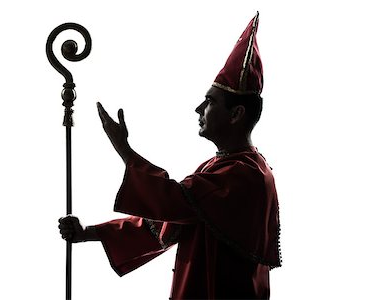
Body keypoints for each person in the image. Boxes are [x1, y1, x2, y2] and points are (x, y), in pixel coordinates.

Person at [59, 12, 281, 299]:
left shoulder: (246, 174)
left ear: (236, 114)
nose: (199, 109)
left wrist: (124, 150)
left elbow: (174, 201)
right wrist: (88, 232)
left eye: (210, 102)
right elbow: (167, 222)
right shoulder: (220, 166)